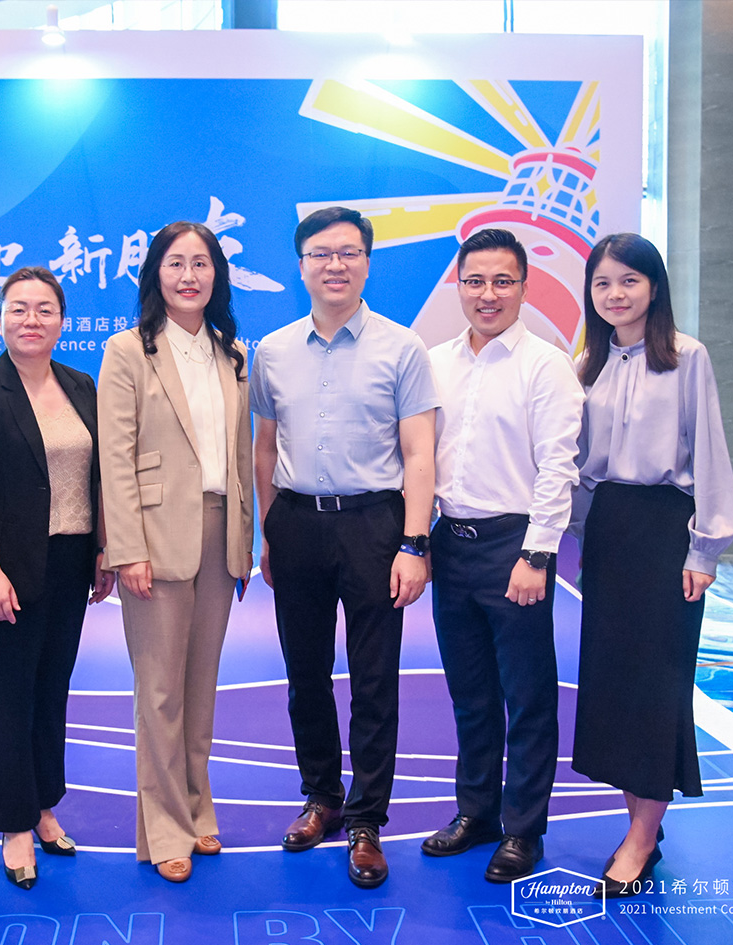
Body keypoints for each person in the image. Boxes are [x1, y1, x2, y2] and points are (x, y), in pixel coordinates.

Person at [250, 206, 438, 889]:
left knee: (373, 678)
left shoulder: (403, 348)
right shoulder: (272, 351)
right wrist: (268, 531)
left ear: (367, 261)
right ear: (301, 265)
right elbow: (264, 448)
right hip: (297, 523)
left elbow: (420, 454)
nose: (336, 265)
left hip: (374, 526)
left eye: (349, 252)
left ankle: (366, 820)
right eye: (322, 254)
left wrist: (414, 543)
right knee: (304, 673)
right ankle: (322, 798)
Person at [570, 232, 733, 897]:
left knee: (656, 685)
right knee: (613, 685)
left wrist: (705, 548)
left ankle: (640, 840)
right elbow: (577, 465)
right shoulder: (586, 364)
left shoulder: (687, 357)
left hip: (667, 532)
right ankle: (640, 822)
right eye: (603, 283)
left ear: (654, 287)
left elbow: (711, 453)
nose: (615, 294)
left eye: (629, 281)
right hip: (609, 533)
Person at [421, 228, 584, 883]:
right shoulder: (434, 362)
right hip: (451, 544)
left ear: (523, 286)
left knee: (528, 697)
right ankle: (477, 813)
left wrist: (537, 555)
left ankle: (523, 830)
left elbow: (558, 467)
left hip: (515, 548)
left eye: (502, 281)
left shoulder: (546, 365)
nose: (487, 294)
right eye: (475, 281)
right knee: (471, 695)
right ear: (458, 285)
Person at [99, 222, 255, 884]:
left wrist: (244, 541)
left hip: (219, 536)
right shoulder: (128, 349)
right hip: (155, 538)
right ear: (155, 274)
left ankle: (197, 809)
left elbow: (241, 455)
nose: (189, 276)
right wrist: (126, 548)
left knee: (200, 687)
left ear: (217, 274)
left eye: (201, 264)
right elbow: (116, 456)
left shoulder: (231, 352)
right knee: (159, 690)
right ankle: (163, 829)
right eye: (175, 264)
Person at [0, 266, 115, 890]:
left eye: (44, 309)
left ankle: (44, 805)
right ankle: (13, 824)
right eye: (18, 308)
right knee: (8, 695)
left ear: (62, 321)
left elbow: (96, 476)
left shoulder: (80, 385)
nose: (31, 320)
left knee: (51, 690)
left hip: (71, 563)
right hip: (8, 569)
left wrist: (102, 549)